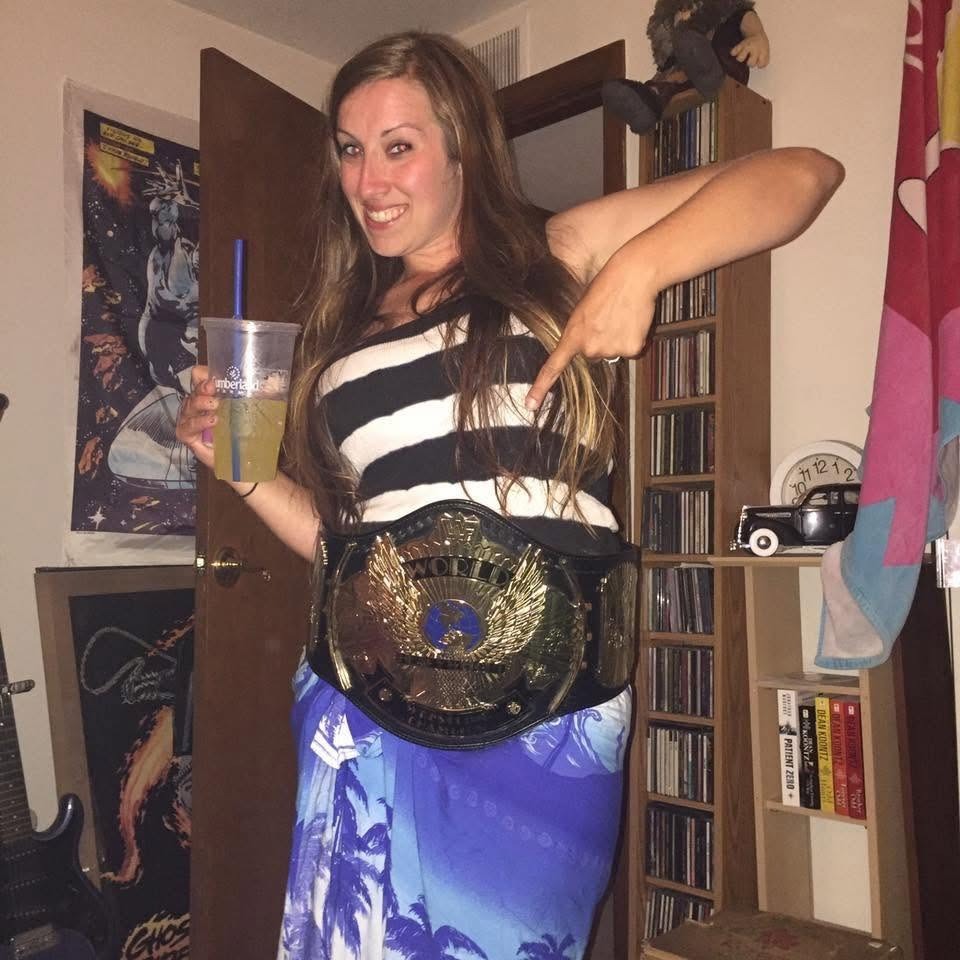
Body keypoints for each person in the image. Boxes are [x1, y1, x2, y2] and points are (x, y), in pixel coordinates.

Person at [176, 30, 842, 960]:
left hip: (545, 696)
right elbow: (348, 547)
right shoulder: (344, 332)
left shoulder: (551, 254)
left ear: (462, 151)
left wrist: (638, 270)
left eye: (399, 146)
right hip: (366, 694)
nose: (369, 180)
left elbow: (803, 174)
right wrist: (246, 473)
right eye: (352, 149)